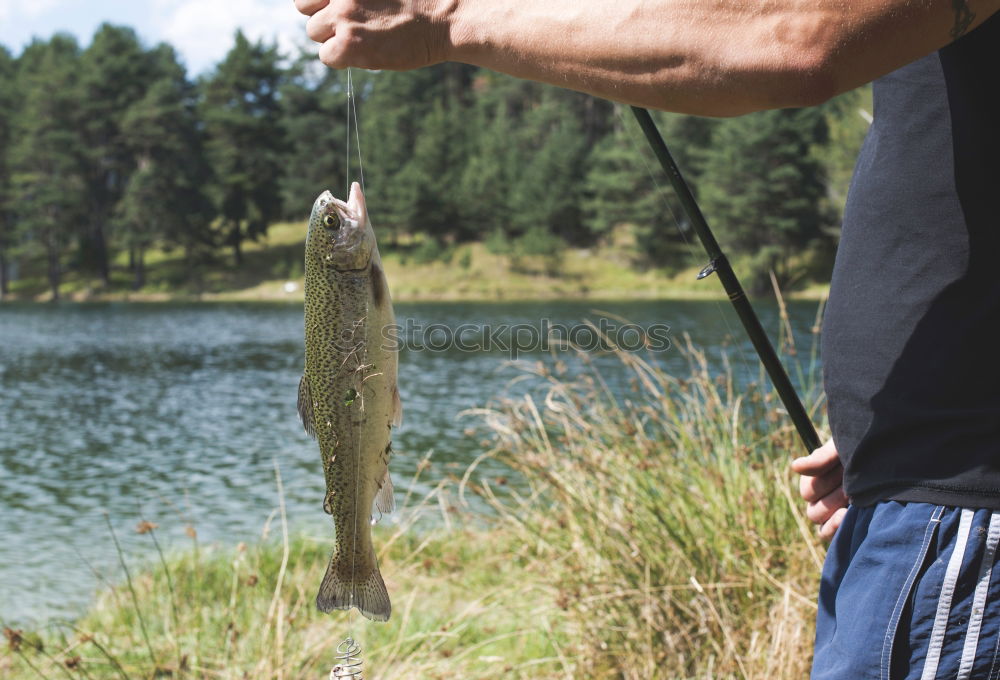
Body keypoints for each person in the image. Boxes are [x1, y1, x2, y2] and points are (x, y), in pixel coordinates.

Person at [293, 1, 1000, 676]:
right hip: (913, 488)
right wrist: (892, 423)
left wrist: (442, 17)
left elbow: (798, 38)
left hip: (957, 509)